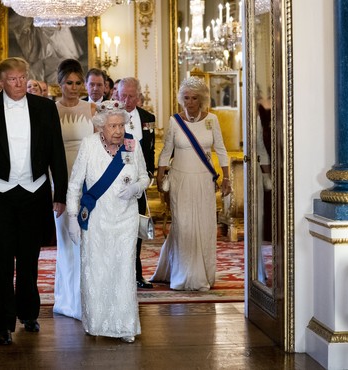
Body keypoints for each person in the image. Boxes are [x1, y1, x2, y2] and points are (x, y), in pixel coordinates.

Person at [0, 57, 68, 345]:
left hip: (34, 192)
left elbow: (56, 153)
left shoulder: (45, 108)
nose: (20, 83)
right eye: (13, 79)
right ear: (0, 82)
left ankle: (29, 313)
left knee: (29, 258)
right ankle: (3, 324)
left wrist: (60, 194)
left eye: (23, 78)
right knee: (1, 261)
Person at [66, 100, 149, 343]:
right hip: (97, 218)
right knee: (98, 269)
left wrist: (136, 186)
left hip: (126, 217)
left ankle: (125, 326)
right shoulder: (89, 145)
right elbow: (74, 184)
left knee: (124, 269)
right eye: (113, 126)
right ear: (101, 126)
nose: (118, 131)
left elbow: (145, 177)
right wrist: (72, 217)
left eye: (121, 125)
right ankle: (97, 323)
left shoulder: (132, 144)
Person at [152, 76, 231, 291]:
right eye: (186, 97)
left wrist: (226, 177)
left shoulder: (211, 120)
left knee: (204, 226)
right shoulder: (174, 121)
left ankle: (203, 275)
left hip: (204, 180)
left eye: (194, 98)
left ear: (202, 99)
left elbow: (221, 150)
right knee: (183, 225)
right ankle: (180, 274)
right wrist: (160, 178)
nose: (189, 102)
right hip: (180, 179)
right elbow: (166, 151)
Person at [52, 59, 96, 320]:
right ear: (59, 84)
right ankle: (67, 300)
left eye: (79, 82)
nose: (75, 87)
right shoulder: (50, 110)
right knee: (66, 241)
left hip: (88, 182)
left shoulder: (92, 109)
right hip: (60, 181)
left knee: (87, 240)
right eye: (69, 82)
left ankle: (87, 298)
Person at [117, 77, 156, 289]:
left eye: (132, 96)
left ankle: (137, 273)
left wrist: (148, 174)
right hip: (115, 183)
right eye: (123, 95)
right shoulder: (111, 116)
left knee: (137, 228)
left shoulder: (148, 118)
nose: (127, 99)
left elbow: (150, 150)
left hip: (139, 183)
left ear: (138, 96)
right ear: (117, 94)